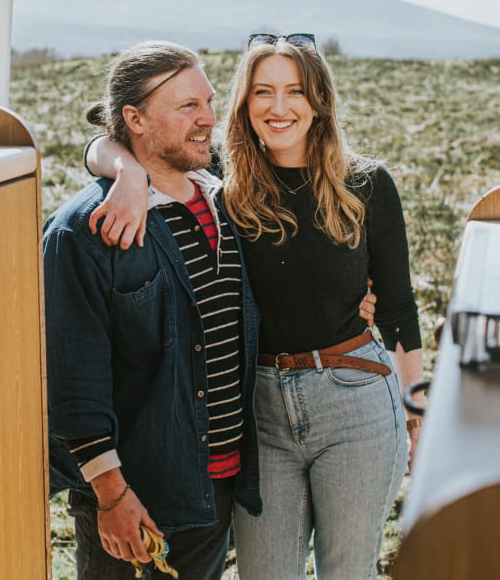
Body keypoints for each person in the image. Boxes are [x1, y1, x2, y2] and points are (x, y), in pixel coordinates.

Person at [85, 34, 424, 580]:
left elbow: (401, 309)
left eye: (295, 91)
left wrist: (416, 415)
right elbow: (106, 143)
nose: (279, 107)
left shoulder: (366, 184)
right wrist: (128, 174)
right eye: (262, 91)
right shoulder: (223, 176)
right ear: (245, 103)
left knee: (346, 572)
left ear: (319, 102)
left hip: (354, 398)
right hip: (258, 410)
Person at [43, 41, 264, 580]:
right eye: (187, 106)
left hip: (217, 486)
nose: (208, 118)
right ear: (134, 119)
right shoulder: (84, 231)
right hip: (137, 497)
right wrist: (111, 495)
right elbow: (74, 376)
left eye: (208, 102)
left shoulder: (227, 203)